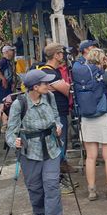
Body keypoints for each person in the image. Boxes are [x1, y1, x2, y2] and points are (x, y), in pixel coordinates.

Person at [6, 69, 64, 215]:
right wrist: (13, 141)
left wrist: (58, 125)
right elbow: (11, 130)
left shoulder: (49, 97)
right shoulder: (19, 104)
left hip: (51, 148)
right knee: (36, 188)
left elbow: (56, 116)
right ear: (35, 87)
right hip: (30, 151)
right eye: (45, 83)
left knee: (52, 185)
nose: (49, 85)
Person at [73, 47, 107, 201]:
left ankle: (92, 190)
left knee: (90, 157)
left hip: (87, 120)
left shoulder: (79, 77)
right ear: (102, 60)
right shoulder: (105, 75)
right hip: (105, 118)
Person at [39, 43, 78, 189]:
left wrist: (53, 86)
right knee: (58, 144)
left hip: (58, 111)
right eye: (61, 53)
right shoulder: (50, 72)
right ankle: (57, 179)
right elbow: (67, 89)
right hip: (56, 113)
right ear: (56, 55)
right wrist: (61, 85)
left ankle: (59, 173)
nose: (63, 56)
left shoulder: (46, 71)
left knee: (59, 144)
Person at [0, 46, 16, 125]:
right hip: (2, 87)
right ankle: (4, 123)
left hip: (6, 87)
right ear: (6, 52)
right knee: (3, 104)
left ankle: (6, 122)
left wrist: (11, 83)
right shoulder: (2, 61)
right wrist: (3, 79)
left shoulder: (7, 61)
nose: (13, 52)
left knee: (7, 103)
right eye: (11, 51)